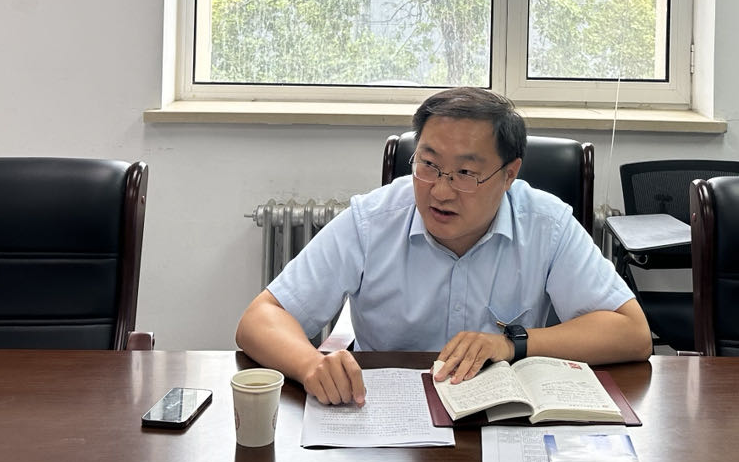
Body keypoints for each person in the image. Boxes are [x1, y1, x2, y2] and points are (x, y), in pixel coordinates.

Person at [235, 87, 652, 405]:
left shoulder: (547, 224)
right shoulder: (373, 220)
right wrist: (311, 364)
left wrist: (513, 344)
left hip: (500, 415)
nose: (440, 191)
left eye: (465, 173)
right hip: (385, 412)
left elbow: (632, 333)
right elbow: (260, 318)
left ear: (509, 175)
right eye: (429, 165)